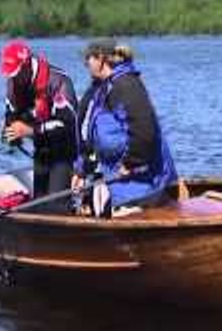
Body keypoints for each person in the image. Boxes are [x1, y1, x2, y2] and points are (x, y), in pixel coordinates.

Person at [72, 38, 178, 216]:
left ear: (100, 59)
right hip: (118, 185)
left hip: (142, 187)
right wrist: (82, 170)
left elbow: (144, 131)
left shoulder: (127, 86)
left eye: (87, 59)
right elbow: (90, 134)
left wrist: (131, 162)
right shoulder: (102, 89)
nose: (85, 64)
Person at [0, 40, 79, 211]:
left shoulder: (58, 81)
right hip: (41, 151)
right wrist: (8, 134)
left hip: (64, 152)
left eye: (16, 73)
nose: (13, 78)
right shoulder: (13, 83)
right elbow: (11, 117)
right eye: (10, 74)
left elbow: (69, 124)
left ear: (27, 65)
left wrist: (30, 130)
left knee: (56, 206)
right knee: (40, 204)